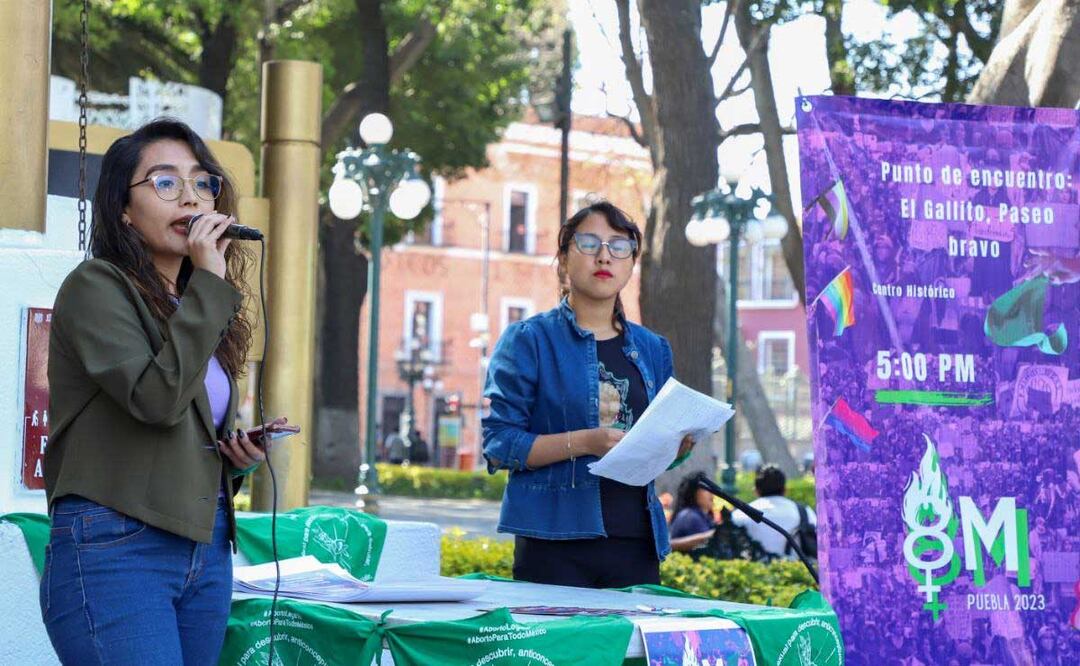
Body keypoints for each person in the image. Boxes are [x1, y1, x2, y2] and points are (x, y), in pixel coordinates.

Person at [41, 119, 266, 665]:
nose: (190, 196)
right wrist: (210, 285)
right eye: (165, 183)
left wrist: (235, 460)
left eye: (202, 182)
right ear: (123, 206)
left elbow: (179, 426)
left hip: (204, 545)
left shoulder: (192, 304)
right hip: (118, 545)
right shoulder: (97, 286)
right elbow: (154, 399)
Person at [482, 201, 693, 588]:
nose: (604, 255)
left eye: (619, 246)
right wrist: (586, 442)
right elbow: (500, 443)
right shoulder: (529, 340)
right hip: (553, 542)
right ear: (563, 259)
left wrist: (678, 444)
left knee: (628, 650)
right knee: (562, 650)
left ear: (632, 263)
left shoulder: (653, 349)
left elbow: (659, 447)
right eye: (589, 242)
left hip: (636, 542)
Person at [730, 465, 816, 560]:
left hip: (752, 572)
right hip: (797, 571)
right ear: (785, 490)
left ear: (756, 491)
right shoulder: (804, 511)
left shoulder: (740, 515)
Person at [668, 471, 715, 552]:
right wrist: (712, 535)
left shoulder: (702, 515)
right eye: (705, 489)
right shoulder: (690, 516)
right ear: (693, 493)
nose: (711, 493)